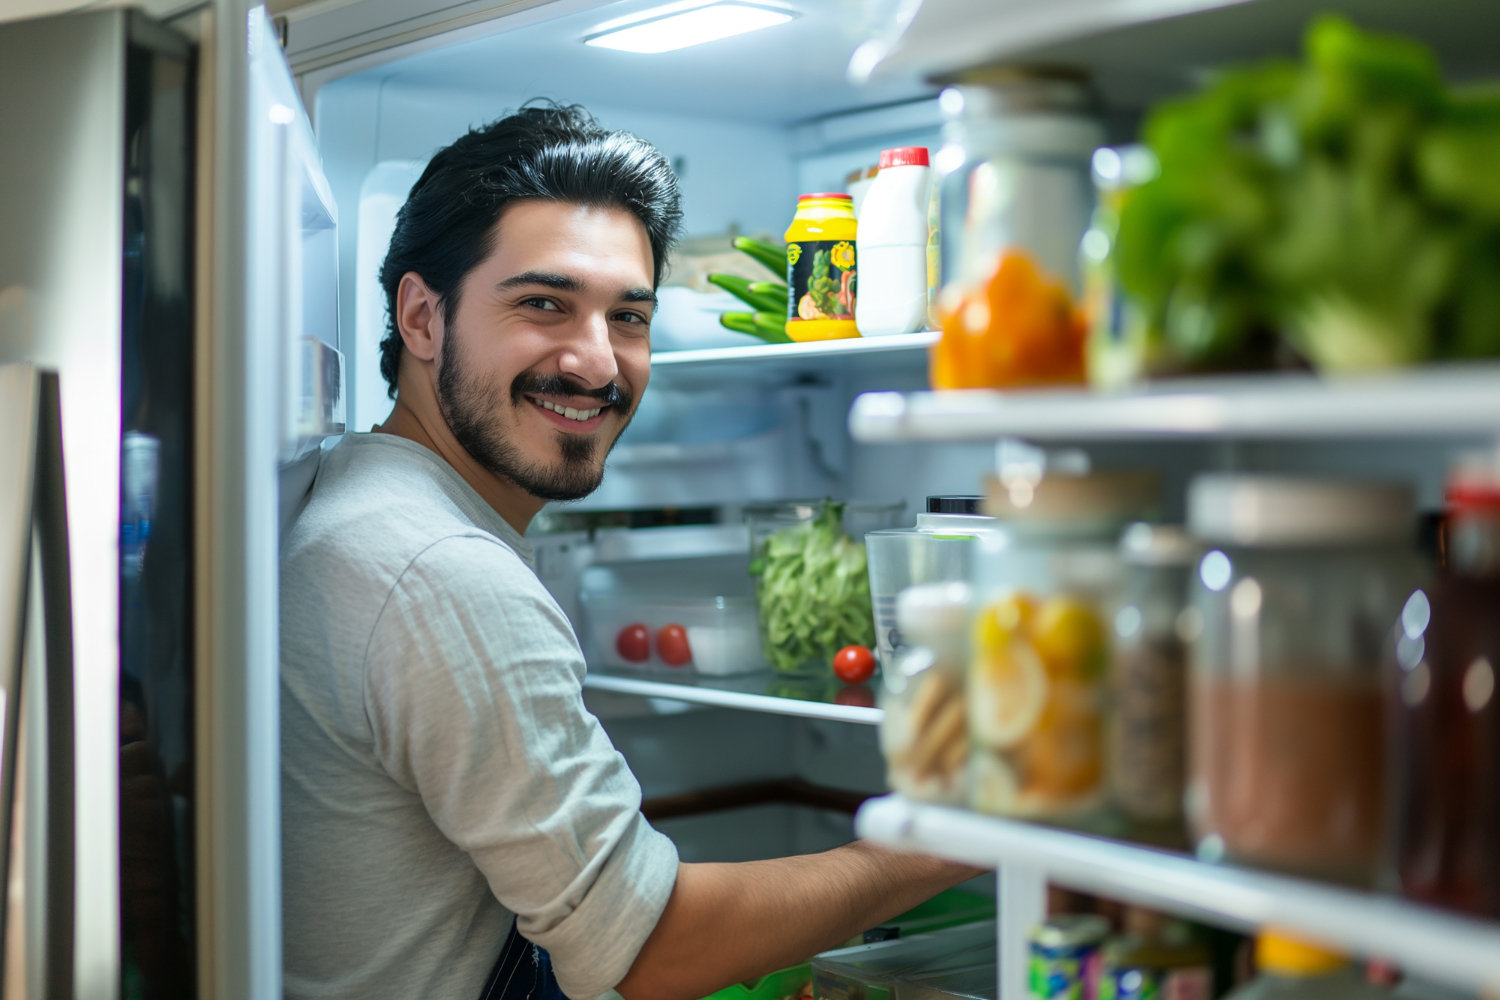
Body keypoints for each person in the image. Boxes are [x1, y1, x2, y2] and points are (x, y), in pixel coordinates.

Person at [279, 103, 979, 1000]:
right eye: (545, 305)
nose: (598, 363)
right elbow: (652, 949)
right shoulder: (440, 572)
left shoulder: (360, 499)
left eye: (629, 318)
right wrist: (947, 841)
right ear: (421, 317)